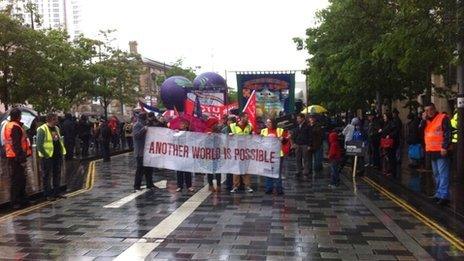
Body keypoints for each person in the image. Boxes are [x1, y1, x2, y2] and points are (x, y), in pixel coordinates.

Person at [420, 103, 452, 206]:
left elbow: (448, 133)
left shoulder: (442, 118)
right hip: (431, 151)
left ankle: (444, 196)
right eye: (426, 111)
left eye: (429, 110)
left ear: (434, 109)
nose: (427, 112)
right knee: (437, 174)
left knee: (443, 174)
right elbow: (419, 130)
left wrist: (445, 146)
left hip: (441, 150)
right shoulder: (427, 121)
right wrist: (423, 120)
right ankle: (439, 194)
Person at [4, 108, 32, 209]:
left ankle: (23, 200)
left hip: (13, 156)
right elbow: (17, 145)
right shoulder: (15, 127)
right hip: (16, 157)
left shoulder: (11, 125)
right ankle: (16, 202)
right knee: (17, 180)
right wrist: (21, 159)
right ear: (18, 116)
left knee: (21, 179)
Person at [37, 113, 67, 200]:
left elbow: (57, 140)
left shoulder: (56, 128)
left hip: (57, 155)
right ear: (50, 119)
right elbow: (39, 145)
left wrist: (61, 151)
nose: (57, 121)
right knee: (47, 175)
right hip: (48, 156)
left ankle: (56, 193)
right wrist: (46, 155)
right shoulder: (42, 129)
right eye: (55, 119)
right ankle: (48, 194)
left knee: (57, 174)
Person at [260, 118, 288, 195]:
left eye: (270, 122)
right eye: (267, 122)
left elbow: (286, 141)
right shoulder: (263, 131)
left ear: (274, 123)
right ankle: (269, 188)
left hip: (278, 155)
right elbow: (260, 141)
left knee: (277, 172)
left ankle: (279, 189)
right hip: (267, 154)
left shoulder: (280, 130)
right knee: (268, 171)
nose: (268, 124)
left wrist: (283, 139)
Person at [229, 114, 254, 193]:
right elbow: (225, 136)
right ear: (241, 118)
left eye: (247, 118)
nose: (247, 119)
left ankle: (247, 186)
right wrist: (229, 135)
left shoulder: (249, 126)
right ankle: (235, 186)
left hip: (246, 150)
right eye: (245, 117)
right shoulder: (232, 126)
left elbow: (251, 135)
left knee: (246, 169)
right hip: (236, 150)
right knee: (236, 168)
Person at [132, 112, 154, 191]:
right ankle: (136, 186)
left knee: (149, 169)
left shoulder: (145, 124)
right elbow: (136, 135)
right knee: (140, 170)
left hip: (147, 151)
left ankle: (150, 184)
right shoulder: (137, 125)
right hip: (140, 152)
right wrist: (144, 129)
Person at [176, 120, 194, 192]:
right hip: (179, 153)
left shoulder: (190, 132)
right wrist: (175, 132)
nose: (181, 125)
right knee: (179, 171)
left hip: (188, 154)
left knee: (187, 171)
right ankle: (180, 186)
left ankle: (189, 186)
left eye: (183, 124)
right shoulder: (177, 132)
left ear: (186, 125)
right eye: (181, 124)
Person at [380, 112, 399, 177]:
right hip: (387, 142)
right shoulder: (387, 123)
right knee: (388, 157)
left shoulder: (392, 123)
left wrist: (389, 135)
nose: (384, 118)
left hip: (391, 143)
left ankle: (392, 171)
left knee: (391, 157)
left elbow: (395, 131)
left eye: (385, 116)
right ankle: (389, 170)